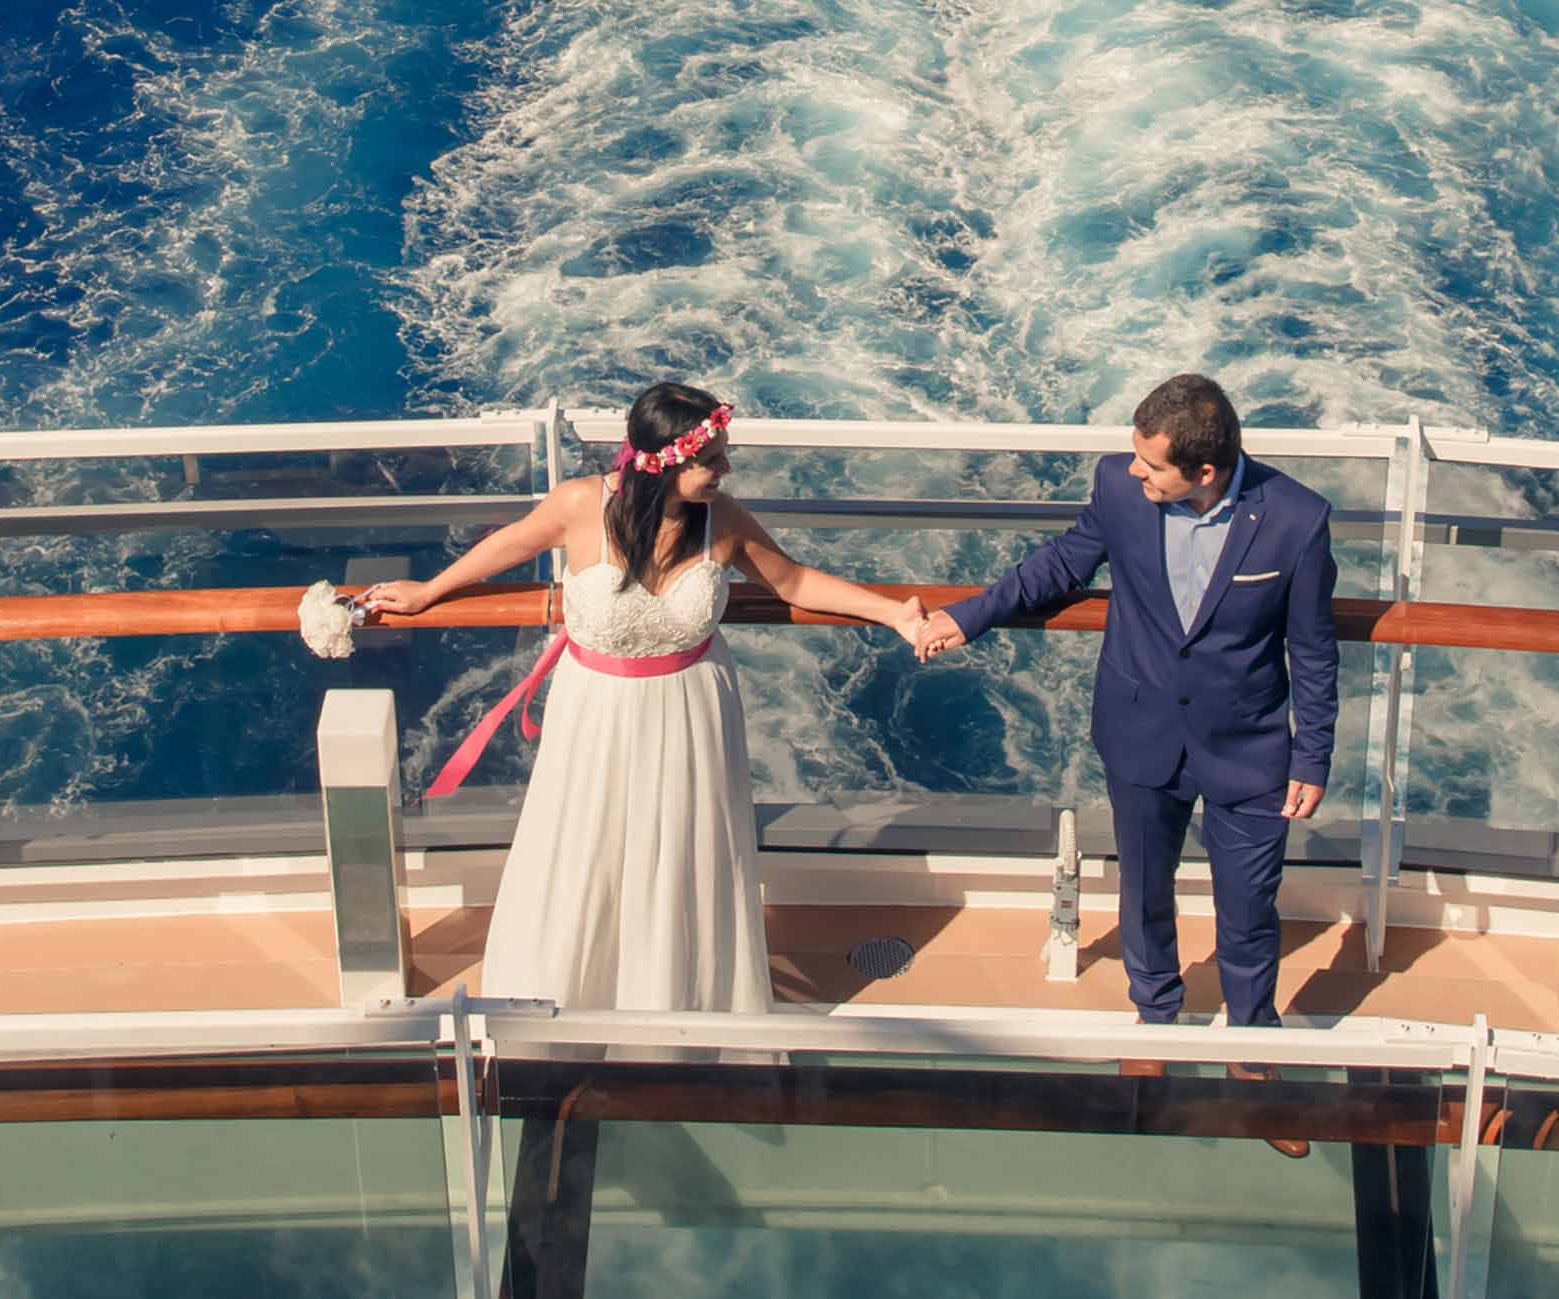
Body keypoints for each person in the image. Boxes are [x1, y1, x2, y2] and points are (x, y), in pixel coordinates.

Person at [362, 382, 929, 1018]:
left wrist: (895, 614)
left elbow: (794, 580)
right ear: (662, 461)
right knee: (585, 848)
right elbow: (510, 545)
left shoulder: (725, 520)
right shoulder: (578, 505)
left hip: (692, 711)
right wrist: (429, 591)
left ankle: (676, 998)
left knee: (682, 853)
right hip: (595, 715)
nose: (725, 469)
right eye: (710, 458)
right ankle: (570, 994)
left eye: (722, 453)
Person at [919, 373, 1337, 1146]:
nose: (1133, 471)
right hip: (1140, 731)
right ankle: (1154, 1024)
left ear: (1205, 471)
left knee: (1249, 910)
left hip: (1249, 749)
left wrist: (1312, 753)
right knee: (1145, 890)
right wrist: (967, 617)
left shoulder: (1297, 521)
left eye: (1152, 464)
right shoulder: (1117, 486)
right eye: (1135, 458)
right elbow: (1059, 566)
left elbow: (1311, 649)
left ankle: (1253, 1055)